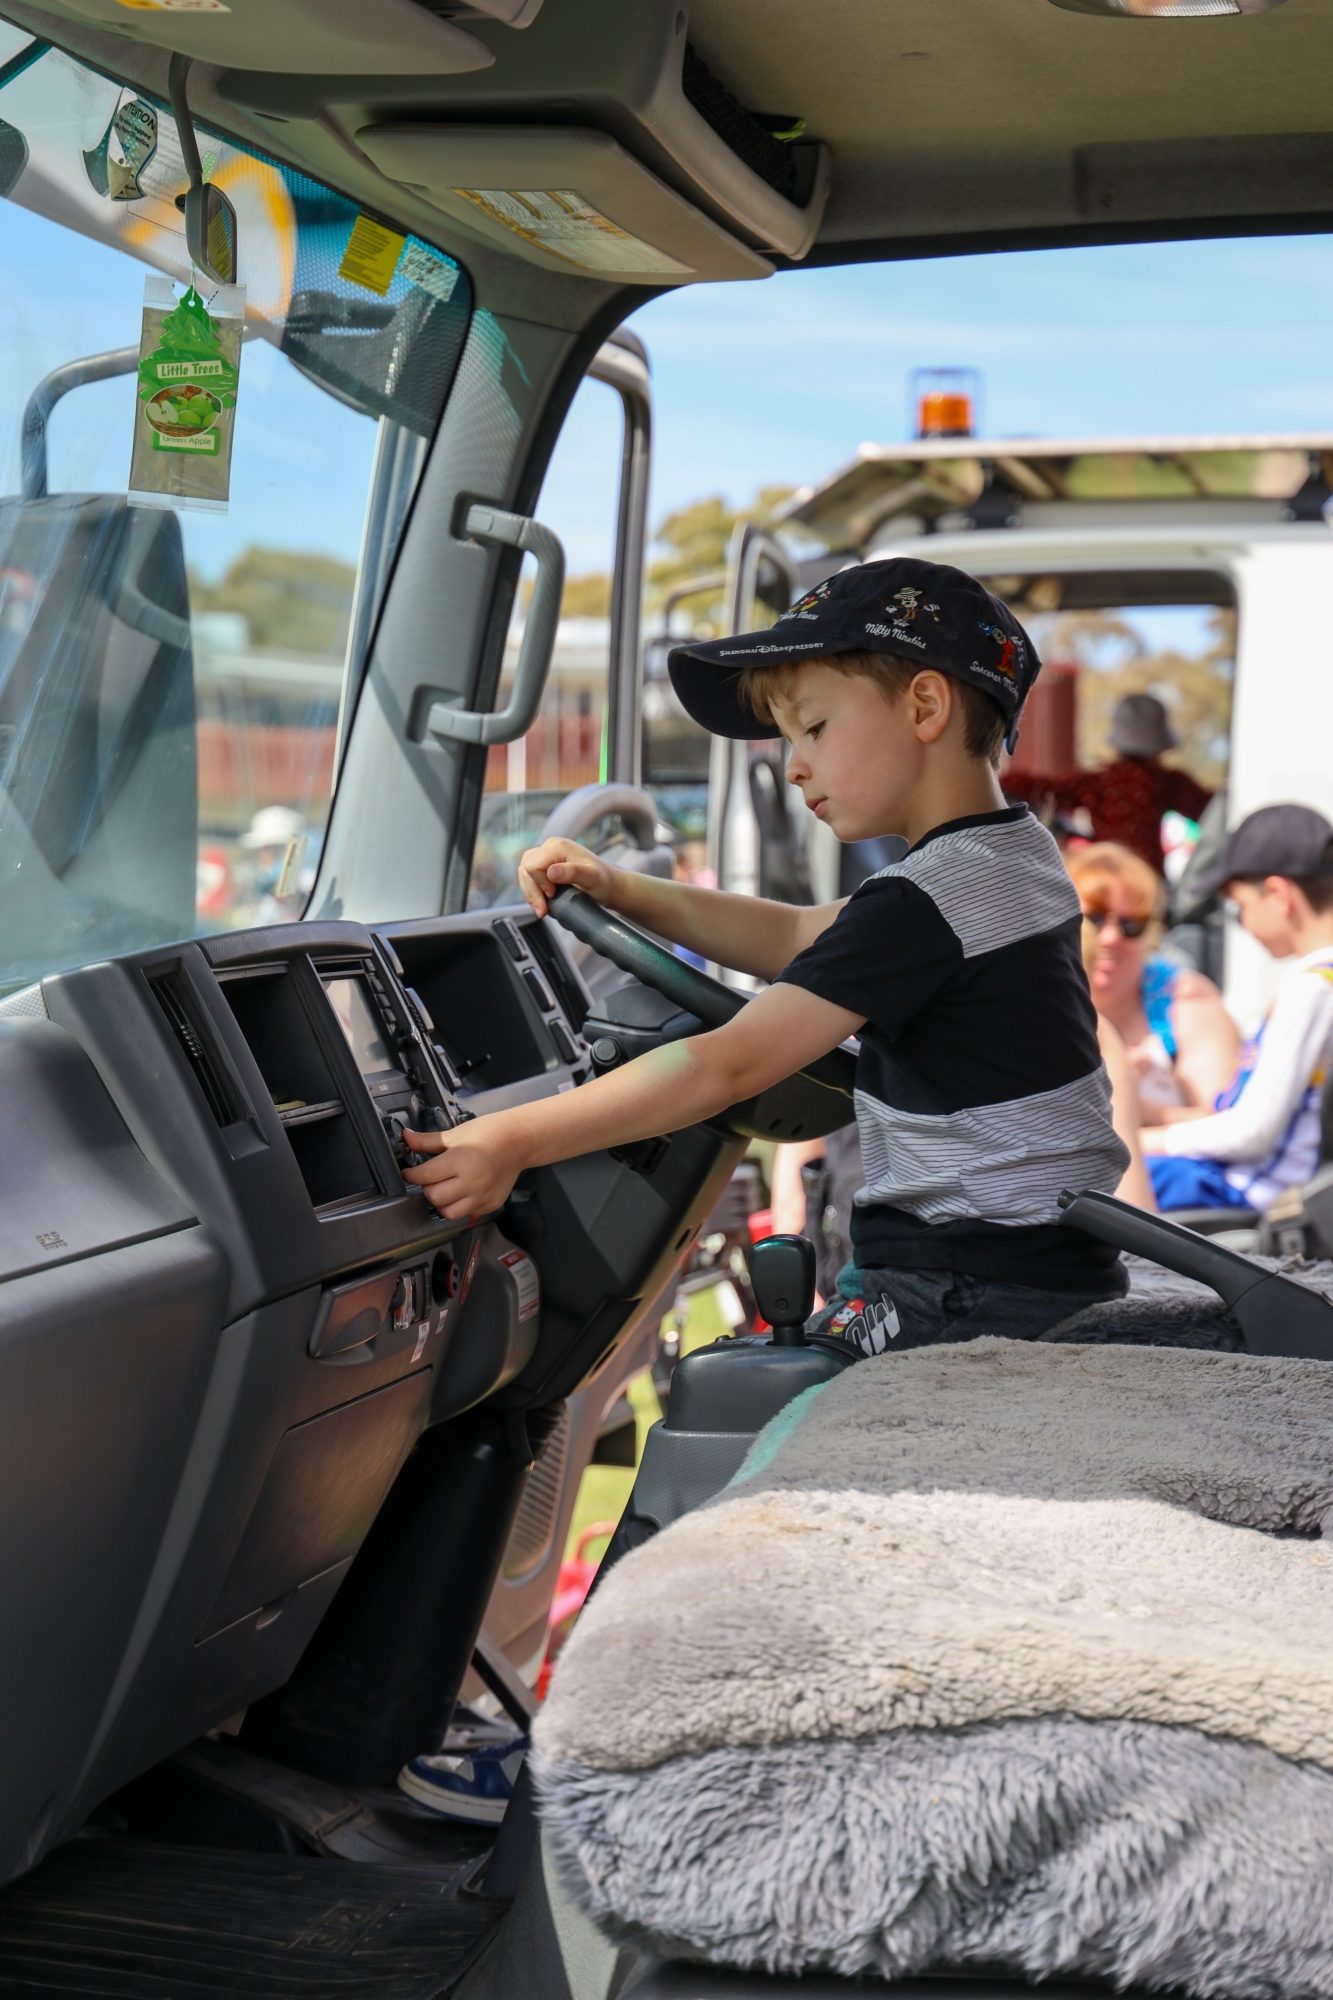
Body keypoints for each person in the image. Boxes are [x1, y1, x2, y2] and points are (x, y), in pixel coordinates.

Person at [402, 554, 1129, 1352]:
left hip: (959, 1286)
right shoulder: (1009, 859)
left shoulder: (922, 903)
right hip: (1047, 1267)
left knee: (729, 1394)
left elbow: (724, 1067)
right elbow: (791, 936)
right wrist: (620, 888)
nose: (793, 767)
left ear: (925, 704)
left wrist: (509, 1139)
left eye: (813, 729)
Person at [1139, 804, 1333, 1214]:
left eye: (1239, 905)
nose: (1242, 924)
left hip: (1247, 1191)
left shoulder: (1312, 986)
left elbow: (1253, 1133)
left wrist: (1141, 1140)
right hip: (1248, 1181)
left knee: (1111, 1174)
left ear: (1279, 895)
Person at [1067, 842, 1240, 1124]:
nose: (1111, 938)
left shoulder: (1185, 997)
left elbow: (1222, 1125)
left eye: (1131, 925)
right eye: (1094, 919)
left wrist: (1132, 1107)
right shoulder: (1030, 998)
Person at [1005, 691, 1211, 874]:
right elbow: (1213, 809)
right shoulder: (1170, 783)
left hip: (1104, 874)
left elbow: (1033, 787)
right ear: (1160, 744)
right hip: (1147, 882)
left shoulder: (1099, 782)